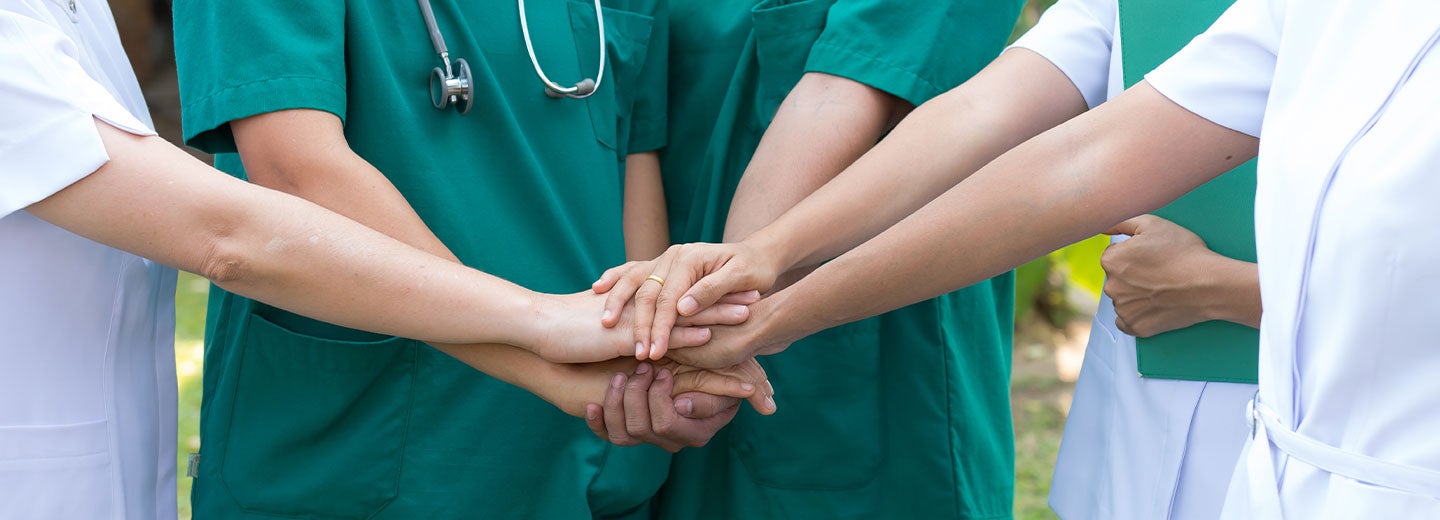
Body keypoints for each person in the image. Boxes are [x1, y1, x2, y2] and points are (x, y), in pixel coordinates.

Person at [604, 0, 1440, 516]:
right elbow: (1074, 158)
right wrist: (767, 274)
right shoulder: (1314, 10)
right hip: (1279, 472)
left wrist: (1229, 290)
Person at [0, 1, 772, 517]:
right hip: (379, 455)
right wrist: (546, 349)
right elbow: (270, 196)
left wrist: (649, 356)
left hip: (598, 454)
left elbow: (630, 147)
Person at [589, 0, 1025, 517]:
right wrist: (656, 337)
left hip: (830, 325)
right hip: (658, 304)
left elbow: (853, 86)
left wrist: (695, 321)